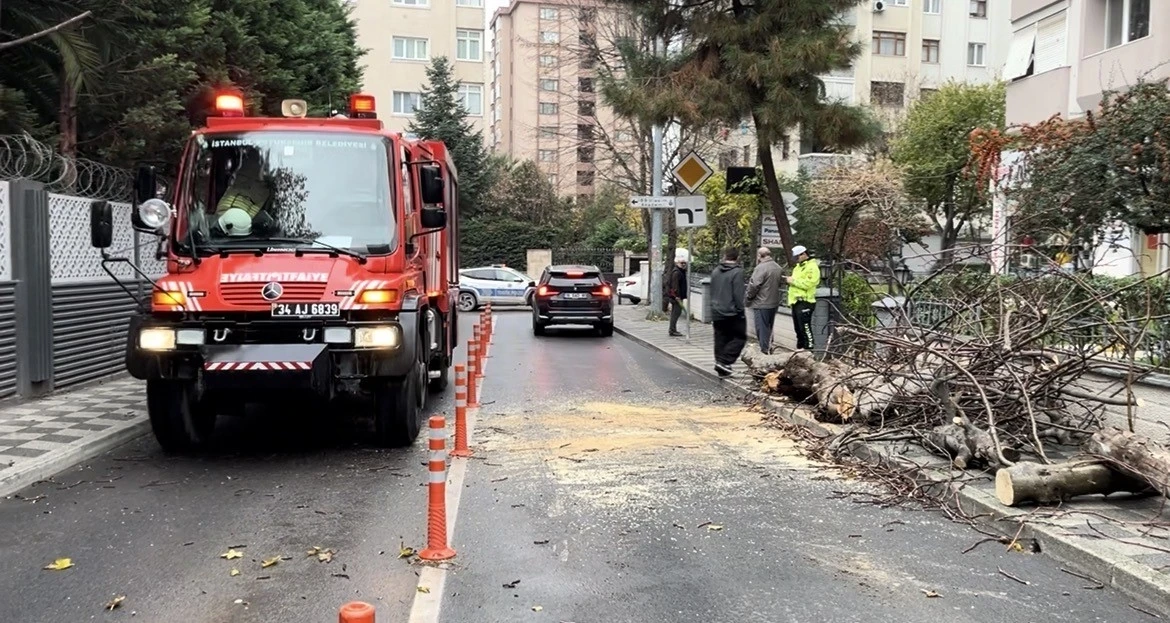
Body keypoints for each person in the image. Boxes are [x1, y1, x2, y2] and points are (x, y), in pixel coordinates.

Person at [708, 247, 746, 377]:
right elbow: (738, 293)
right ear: (737, 257)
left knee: (720, 337)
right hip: (732, 312)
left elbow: (711, 290)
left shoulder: (716, 271)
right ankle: (724, 361)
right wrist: (740, 309)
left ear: (725, 256)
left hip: (716, 310)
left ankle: (720, 364)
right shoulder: (737, 272)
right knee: (739, 337)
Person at [745, 246, 783, 353]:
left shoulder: (760, 268)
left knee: (762, 328)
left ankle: (764, 350)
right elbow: (780, 282)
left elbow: (754, 285)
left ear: (759, 256)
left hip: (761, 303)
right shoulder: (778, 267)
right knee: (770, 326)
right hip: (774, 302)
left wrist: (749, 297)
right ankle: (770, 346)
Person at [786, 245, 820, 351]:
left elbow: (809, 283)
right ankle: (800, 349)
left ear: (804, 254)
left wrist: (793, 281)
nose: (796, 259)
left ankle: (808, 349)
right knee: (798, 329)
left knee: (805, 328)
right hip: (796, 302)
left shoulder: (812, 267)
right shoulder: (798, 267)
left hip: (805, 301)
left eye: (797, 257)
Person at [666, 251, 688, 337]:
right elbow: (675, 286)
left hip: (677, 296)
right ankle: (672, 330)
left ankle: (672, 329)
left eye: (684, 263)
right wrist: (677, 296)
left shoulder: (680, 271)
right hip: (676, 297)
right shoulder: (677, 272)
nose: (683, 264)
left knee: (675, 313)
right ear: (677, 263)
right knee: (676, 313)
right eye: (682, 263)